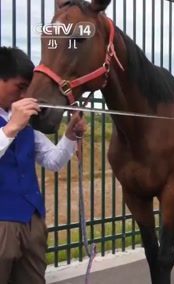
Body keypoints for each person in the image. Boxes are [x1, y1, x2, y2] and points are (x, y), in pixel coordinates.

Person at [0, 46, 87, 284]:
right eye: (19, 87)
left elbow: (53, 161)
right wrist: (10, 128)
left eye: (27, 89)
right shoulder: (17, 123)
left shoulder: (26, 124)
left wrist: (69, 136)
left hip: (32, 221)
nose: (24, 95)